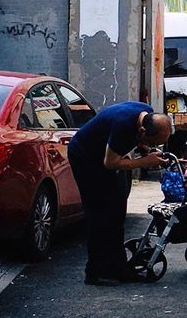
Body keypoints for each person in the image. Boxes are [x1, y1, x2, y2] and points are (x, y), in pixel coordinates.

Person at [67, 103, 172, 286]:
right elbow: (110, 163)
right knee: (98, 213)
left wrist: (146, 149)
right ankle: (95, 272)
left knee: (116, 211)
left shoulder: (145, 112)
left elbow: (126, 148)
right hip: (86, 157)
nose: (153, 146)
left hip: (105, 154)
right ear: (142, 131)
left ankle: (119, 268)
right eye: (152, 143)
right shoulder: (123, 125)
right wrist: (144, 161)